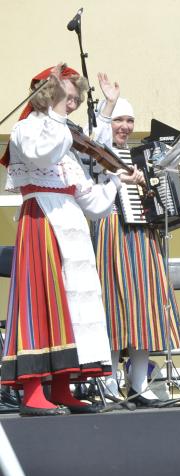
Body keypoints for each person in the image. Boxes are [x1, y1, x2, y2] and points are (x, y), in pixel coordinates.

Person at [0, 64, 141, 415]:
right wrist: (62, 118)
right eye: (70, 96)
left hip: (72, 224)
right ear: (50, 92)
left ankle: (63, 388)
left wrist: (116, 179)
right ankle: (33, 392)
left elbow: (93, 203)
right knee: (40, 302)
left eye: (77, 98)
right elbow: (42, 153)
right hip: (42, 220)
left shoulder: (65, 141)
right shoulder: (27, 129)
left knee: (72, 307)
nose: (74, 104)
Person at [91, 80, 180, 405]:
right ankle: (108, 384)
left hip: (143, 236)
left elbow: (162, 201)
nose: (125, 126)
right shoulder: (96, 153)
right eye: (119, 120)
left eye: (130, 120)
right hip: (110, 232)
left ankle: (138, 383)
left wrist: (177, 186)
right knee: (113, 306)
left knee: (144, 306)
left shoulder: (143, 155)